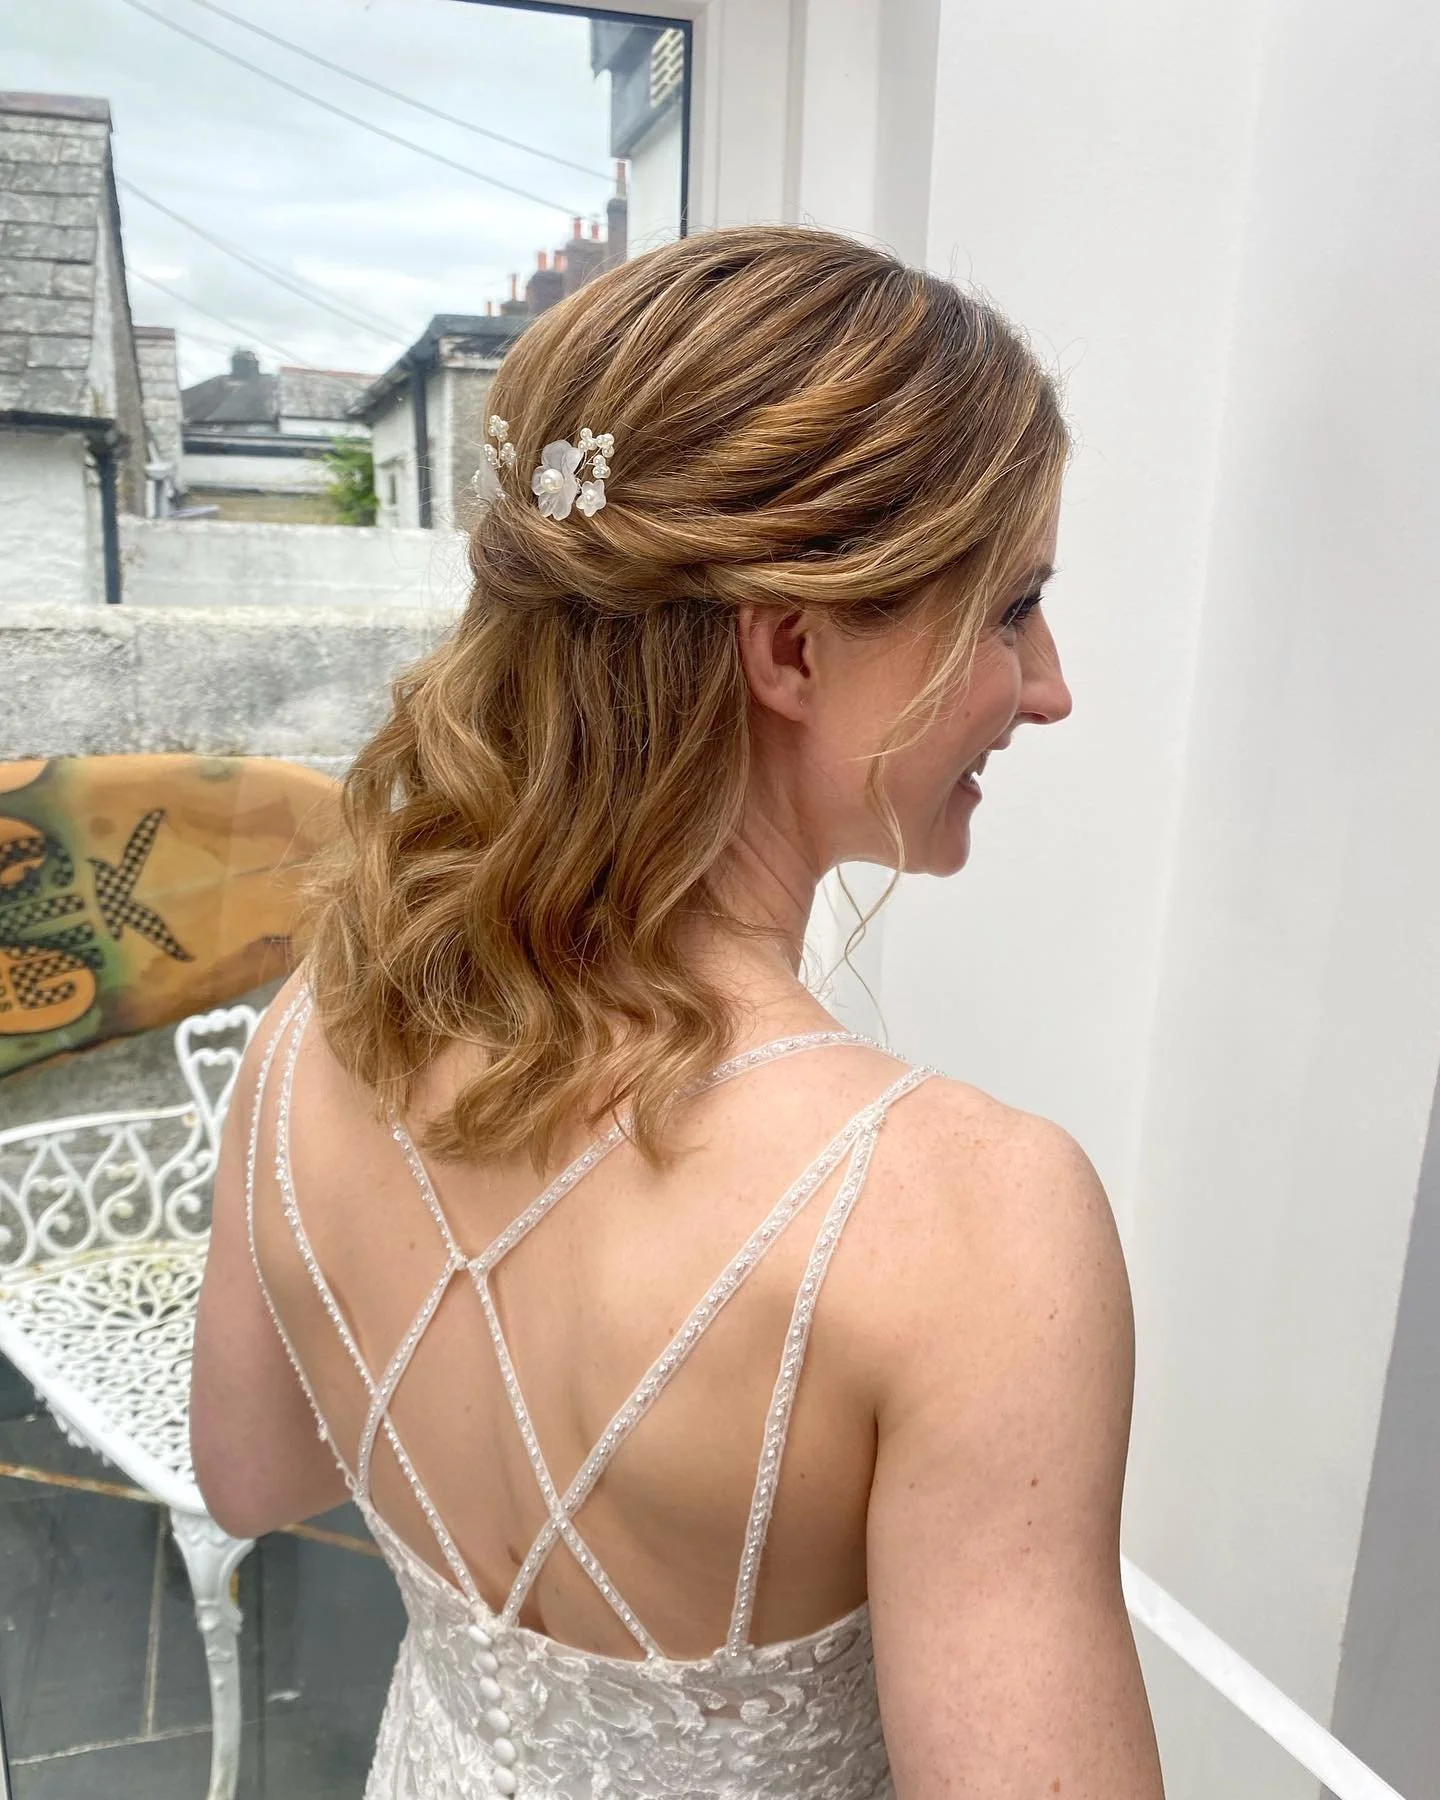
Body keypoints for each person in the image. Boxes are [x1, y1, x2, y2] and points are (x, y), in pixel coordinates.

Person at [191, 225, 1165, 1800]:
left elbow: (254, 1476)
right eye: (1011, 608)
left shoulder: (325, 1020)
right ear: (788, 645)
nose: (1046, 686)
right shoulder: (963, 1219)